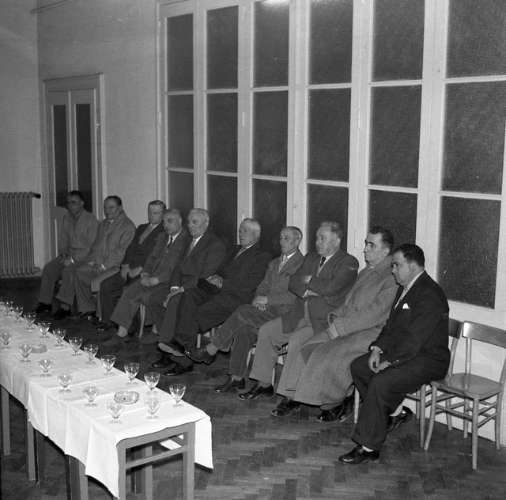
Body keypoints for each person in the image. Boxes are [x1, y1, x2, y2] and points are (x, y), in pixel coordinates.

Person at [339, 244, 450, 465]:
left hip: (429, 359)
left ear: (412, 266)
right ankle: (393, 413)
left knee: (381, 382)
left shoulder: (430, 294)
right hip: (408, 352)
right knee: (359, 367)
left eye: (397, 265)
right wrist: (377, 349)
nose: (393, 270)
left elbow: (415, 339)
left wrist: (389, 361)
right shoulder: (405, 287)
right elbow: (391, 326)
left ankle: (369, 447)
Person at [271, 227, 397, 418]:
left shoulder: (391, 277)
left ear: (386, 251)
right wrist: (335, 317)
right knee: (306, 347)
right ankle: (295, 395)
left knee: (328, 354)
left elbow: (374, 314)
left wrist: (340, 327)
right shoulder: (366, 272)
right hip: (346, 324)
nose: (365, 249)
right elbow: (347, 302)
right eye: (366, 244)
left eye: (371, 245)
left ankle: (334, 403)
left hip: (369, 332)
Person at [239, 221, 359, 401]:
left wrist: (308, 280)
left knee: (296, 341)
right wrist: (309, 289)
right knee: (267, 331)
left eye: (322, 238)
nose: (317, 242)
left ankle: (290, 396)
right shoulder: (311, 257)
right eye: (317, 238)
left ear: (336, 240)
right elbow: (294, 283)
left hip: (321, 320)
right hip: (298, 313)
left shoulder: (348, 262)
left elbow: (331, 288)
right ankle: (264, 384)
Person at [187, 226, 305, 393]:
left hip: (284, 314)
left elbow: (295, 295)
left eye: (286, 238)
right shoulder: (274, 262)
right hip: (265, 310)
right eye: (280, 238)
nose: (282, 242)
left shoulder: (302, 264)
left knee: (242, 311)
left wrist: (268, 299)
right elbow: (262, 286)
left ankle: (212, 349)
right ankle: (237, 378)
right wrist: (259, 298)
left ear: (297, 240)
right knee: (243, 330)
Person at [155, 218, 272, 376]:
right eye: (240, 230)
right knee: (187, 296)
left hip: (236, 297)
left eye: (245, 231)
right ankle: (182, 347)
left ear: (256, 235)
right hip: (215, 290)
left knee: (195, 312)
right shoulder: (234, 249)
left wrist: (223, 283)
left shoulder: (262, 256)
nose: (241, 234)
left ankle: (184, 358)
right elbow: (219, 269)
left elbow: (250, 284)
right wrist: (215, 276)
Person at [147, 208, 226, 369]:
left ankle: (171, 347)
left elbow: (205, 276)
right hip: (181, 284)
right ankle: (169, 348)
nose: (190, 225)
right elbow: (177, 267)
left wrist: (181, 289)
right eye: (189, 222)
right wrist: (174, 286)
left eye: (195, 222)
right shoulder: (188, 241)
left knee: (176, 300)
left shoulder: (215, 244)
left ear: (206, 223)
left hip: (201, 288)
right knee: (155, 298)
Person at [104, 208, 190, 342]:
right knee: (129, 291)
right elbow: (151, 258)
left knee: (150, 296)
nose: (166, 225)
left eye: (170, 221)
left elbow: (177, 266)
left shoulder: (186, 240)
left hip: (170, 281)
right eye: (164, 222)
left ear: (180, 222)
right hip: (151, 276)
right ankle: (121, 333)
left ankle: (158, 330)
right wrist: (145, 273)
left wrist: (157, 279)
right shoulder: (162, 237)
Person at [53, 196, 135, 319]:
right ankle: (87, 309)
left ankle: (100, 315)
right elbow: (96, 246)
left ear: (120, 208)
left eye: (111, 207)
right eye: (105, 208)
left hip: (114, 267)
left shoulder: (127, 226)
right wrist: (92, 261)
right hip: (98, 263)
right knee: (79, 272)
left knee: (96, 281)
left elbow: (121, 252)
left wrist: (103, 266)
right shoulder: (103, 224)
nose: (107, 211)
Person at [95, 200, 166, 330]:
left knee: (129, 290)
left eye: (156, 213)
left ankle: (129, 327)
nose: (151, 215)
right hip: (129, 267)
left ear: (163, 214)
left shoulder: (164, 232)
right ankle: (108, 321)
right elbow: (130, 248)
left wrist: (140, 269)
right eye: (150, 212)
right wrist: (125, 265)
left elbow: (156, 256)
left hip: (145, 271)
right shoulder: (141, 228)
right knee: (106, 285)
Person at [35, 191, 98, 315]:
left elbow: (91, 247)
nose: (70, 205)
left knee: (68, 271)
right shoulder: (67, 218)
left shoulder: (91, 220)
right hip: (69, 255)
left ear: (82, 203)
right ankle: (45, 303)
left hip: (84, 257)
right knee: (49, 268)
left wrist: (73, 260)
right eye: (68, 202)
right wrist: (64, 254)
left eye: (74, 202)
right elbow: (63, 239)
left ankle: (65, 307)